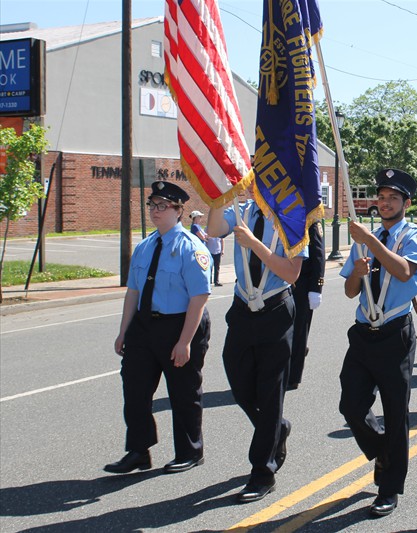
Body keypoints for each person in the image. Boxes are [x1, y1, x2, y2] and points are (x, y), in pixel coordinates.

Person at [339, 168, 417, 518]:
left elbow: (405, 272)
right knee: (351, 405)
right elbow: (349, 290)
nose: (385, 203)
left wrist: (371, 243)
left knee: (395, 413)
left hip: (395, 333)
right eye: (381, 197)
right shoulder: (366, 237)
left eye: (393, 198)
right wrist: (357, 274)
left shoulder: (415, 236)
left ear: (405, 203)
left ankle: (389, 487)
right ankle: (383, 450)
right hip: (364, 332)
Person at [206, 183, 306, 503]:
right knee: (239, 385)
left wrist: (254, 243)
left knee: (269, 391)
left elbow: (291, 273)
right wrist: (219, 196)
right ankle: (277, 428)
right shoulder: (242, 212)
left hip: (275, 309)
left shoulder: (292, 220)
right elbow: (211, 229)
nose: (252, 186)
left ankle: (262, 471)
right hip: (242, 309)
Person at [105, 181, 211, 475]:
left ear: (179, 211)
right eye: (152, 205)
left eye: (163, 206)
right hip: (144, 325)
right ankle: (139, 451)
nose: (155, 211)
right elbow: (133, 292)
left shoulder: (191, 248)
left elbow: (199, 297)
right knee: (135, 389)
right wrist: (124, 330)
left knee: (183, 392)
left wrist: (185, 341)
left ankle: (190, 451)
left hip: (179, 324)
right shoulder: (144, 246)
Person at [287, 219, 325, 391]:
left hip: (302, 287)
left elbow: (318, 255)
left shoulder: (310, 220)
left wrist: (316, 288)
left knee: (299, 332)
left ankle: (293, 377)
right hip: (281, 282)